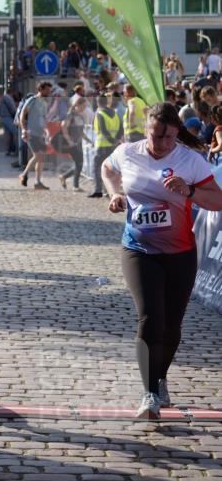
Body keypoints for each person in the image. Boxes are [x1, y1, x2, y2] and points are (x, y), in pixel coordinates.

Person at [102, 102, 222, 418]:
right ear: (147, 130)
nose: (163, 144)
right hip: (138, 250)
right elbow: (107, 168)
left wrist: (190, 190)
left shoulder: (190, 160)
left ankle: (161, 375)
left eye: (169, 138)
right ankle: (150, 393)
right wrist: (115, 193)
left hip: (181, 252)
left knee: (171, 325)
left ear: (177, 134)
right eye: (157, 137)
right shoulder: (128, 152)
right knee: (150, 318)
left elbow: (218, 200)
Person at [18, 80, 52, 190]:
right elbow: (22, 114)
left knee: (41, 158)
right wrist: (23, 129)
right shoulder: (32, 100)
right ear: (40, 89)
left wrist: (47, 132)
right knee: (37, 155)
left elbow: (44, 119)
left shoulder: (45, 103)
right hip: (31, 132)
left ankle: (38, 182)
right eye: (47, 89)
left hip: (41, 134)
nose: (48, 91)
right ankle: (24, 174)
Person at [88, 93, 122, 197]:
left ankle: (98, 190)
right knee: (111, 170)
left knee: (97, 168)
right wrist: (115, 141)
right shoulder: (115, 113)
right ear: (106, 102)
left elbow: (103, 130)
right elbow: (121, 129)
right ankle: (110, 191)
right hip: (113, 147)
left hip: (102, 146)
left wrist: (111, 140)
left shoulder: (99, 113)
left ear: (97, 102)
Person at [58, 96, 89, 191]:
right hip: (71, 143)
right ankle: (75, 186)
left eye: (85, 106)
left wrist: (88, 140)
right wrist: (69, 140)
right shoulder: (70, 114)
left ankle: (64, 176)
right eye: (83, 106)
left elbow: (80, 131)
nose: (84, 108)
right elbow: (63, 126)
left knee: (78, 163)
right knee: (79, 163)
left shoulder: (80, 115)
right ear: (77, 105)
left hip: (78, 143)